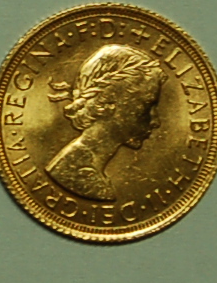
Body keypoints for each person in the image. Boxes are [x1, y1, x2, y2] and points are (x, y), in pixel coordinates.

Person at [46, 44, 167, 200]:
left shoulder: (80, 167)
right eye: (147, 106)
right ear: (107, 102)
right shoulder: (80, 176)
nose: (156, 122)